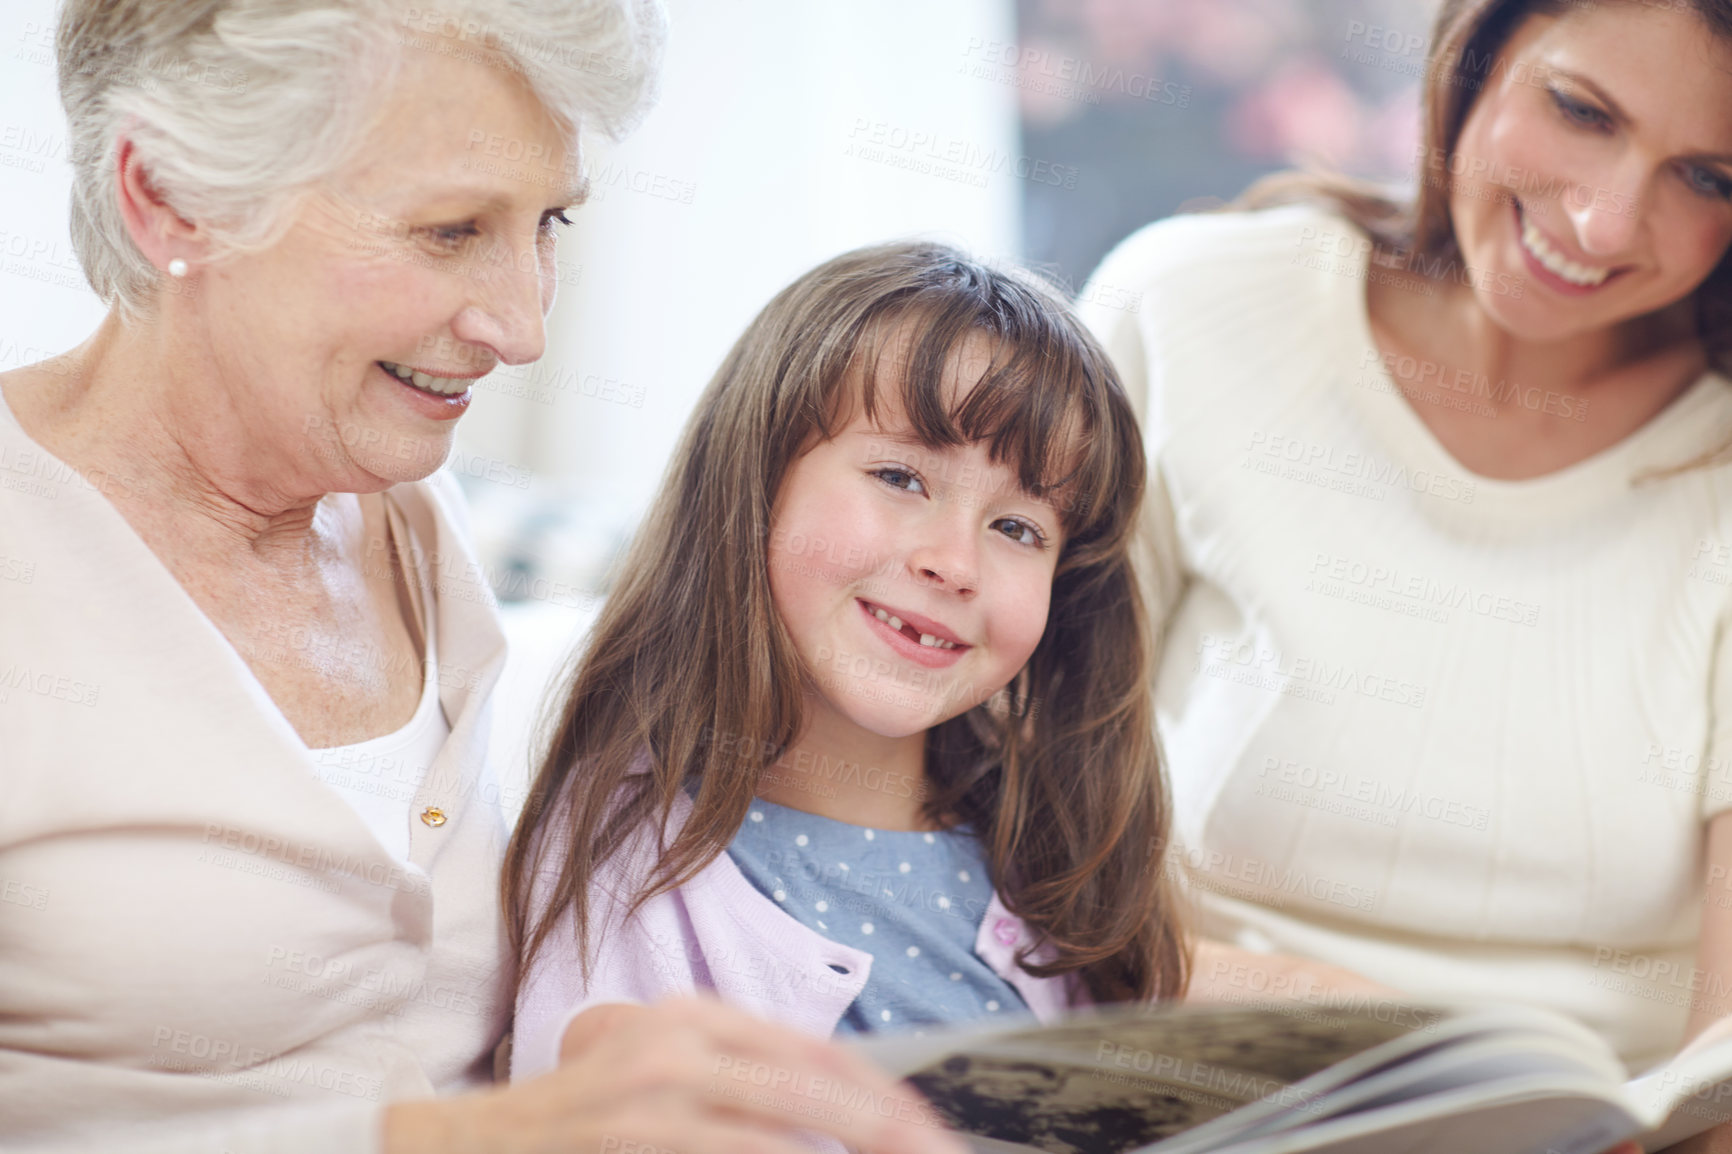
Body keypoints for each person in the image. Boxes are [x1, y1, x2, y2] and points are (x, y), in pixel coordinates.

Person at [0, 2, 964, 1152]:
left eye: (547, 220)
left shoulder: (406, 503)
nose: (521, 327)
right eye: (450, 230)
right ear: (168, 195)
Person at [1080, 0, 1732, 1148]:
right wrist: (1367, 1027)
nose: (1603, 217)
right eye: (1579, 111)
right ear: (1472, 58)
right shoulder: (1185, 313)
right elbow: (991, 868)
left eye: (1710, 177)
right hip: (1187, 1092)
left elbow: (1721, 1063)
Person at [504, 242, 1189, 1084]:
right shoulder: (622, 868)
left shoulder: (1050, 847)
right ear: (753, 480)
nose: (956, 563)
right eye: (901, 477)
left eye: (1018, 528)